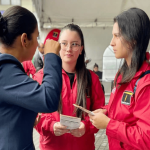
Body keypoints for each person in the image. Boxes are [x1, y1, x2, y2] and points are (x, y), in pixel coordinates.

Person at [34, 24, 105, 150]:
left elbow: (101, 111)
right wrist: (51, 125)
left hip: (83, 146)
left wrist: (86, 126)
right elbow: (34, 114)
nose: (68, 48)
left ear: (81, 48)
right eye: (64, 43)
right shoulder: (42, 77)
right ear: (58, 46)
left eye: (74, 44)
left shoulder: (91, 78)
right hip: (52, 146)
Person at [0, 6, 62, 150]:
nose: (39, 44)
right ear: (24, 40)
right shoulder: (5, 70)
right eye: (36, 37)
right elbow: (48, 100)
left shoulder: (7, 69)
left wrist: (25, 119)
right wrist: (51, 56)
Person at [89, 8, 150, 150]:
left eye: (117, 36)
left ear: (132, 39)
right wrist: (106, 111)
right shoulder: (122, 74)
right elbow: (122, 109)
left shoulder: (145, 83)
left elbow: (146, 138)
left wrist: (108, 124)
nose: (111, 43)